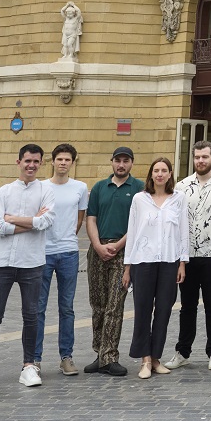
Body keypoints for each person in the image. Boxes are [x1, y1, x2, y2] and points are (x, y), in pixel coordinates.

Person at [0, 144, 56, 391]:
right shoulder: (5, 192)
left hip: (32, 263)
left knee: (31, 316)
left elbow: (47, 221)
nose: (31, 165)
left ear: (41, 163)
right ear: (18, 162)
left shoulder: (46, 190)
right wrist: (30, 222)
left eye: (36, 162)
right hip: (3, 262)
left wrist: (12, 219)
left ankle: (29, 366)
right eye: (27, 161)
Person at [123, 157, 188, 379]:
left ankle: (157, 358)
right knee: (142, 310)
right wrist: (127, 267)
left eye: (164, 171)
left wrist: (182, 263)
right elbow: (132, 232)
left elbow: (183, 232)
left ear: (170, 174)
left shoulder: (179, 199)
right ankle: (144, 360)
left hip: (169, 261)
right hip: (143, 261)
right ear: (151, 174)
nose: (160, 174)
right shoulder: (139, 199)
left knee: (163, 310)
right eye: (156, 171)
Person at [84, 146, 142, 377]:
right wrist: (98, 245)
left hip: (124, 250)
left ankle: (110, 356)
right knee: (97, 304)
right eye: (117, 160)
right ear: (112, 162)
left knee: (114, 305)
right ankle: (100, 353)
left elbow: (138, 222)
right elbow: (91, 218)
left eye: (125, 161)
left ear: (131, 164)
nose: (121, 165)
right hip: (97, 249)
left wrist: (118, 245)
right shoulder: (100, 187)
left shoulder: (138, 188)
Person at [167, 140, 211, 372]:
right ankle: (183, 352)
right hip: (187, 256)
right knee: (187, 306)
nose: (200, 161)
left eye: (205, 157)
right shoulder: (181, 187)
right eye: (197, 157)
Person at [34, 143, 88, 376]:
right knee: (38, 307)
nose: (63, 163)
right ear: (52, 161)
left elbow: (79, 219)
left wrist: (65, 237)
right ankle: (34, 359)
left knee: (67, 307)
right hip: (42, 252)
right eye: (60, 159)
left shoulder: (81, 187)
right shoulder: (40, 187)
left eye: (68, 160)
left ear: (73, 162)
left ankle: (66, 356)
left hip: (68, 252)